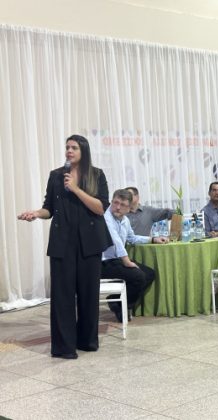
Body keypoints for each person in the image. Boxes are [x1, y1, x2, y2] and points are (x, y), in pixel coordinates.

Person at [18, 134, 113, 359]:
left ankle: (87, 341)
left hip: (90, 242)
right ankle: (64, 347)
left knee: (89, 295)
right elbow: (49, 208)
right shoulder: (56, 175)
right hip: (63, 242)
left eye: (74, 148)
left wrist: (76, 189)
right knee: (62, 296)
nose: (69, 151)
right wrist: (36, 213)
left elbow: (100, 208)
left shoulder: (97, 175)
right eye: (67, 147)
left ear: (83, 151)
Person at [102, 189, 167, 321]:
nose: (118, 207)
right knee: (139, 277)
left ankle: (117, 302)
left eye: (122, 205)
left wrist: (152, 239)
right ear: (111, 201)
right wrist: (127, 261)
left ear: (129, 208)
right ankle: (120, 306)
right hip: (104, 263)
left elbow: (132, 238)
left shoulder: (125, 220)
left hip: (117, 260)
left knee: (150, 274)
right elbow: (116, 242)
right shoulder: (106, 218)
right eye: (115, 203)